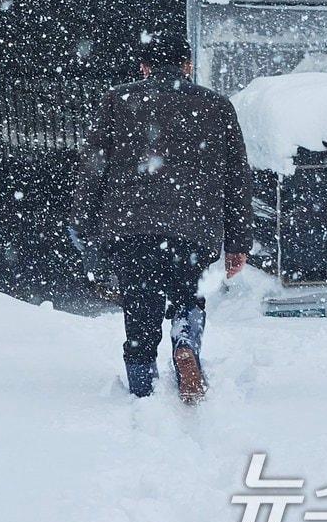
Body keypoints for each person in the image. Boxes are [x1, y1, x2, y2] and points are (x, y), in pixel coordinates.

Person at [78, 32, 253, 403]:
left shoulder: (117, 101)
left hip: (131, 225)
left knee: (140, 305)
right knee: (188, 295)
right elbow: (237, 178)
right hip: (195, 227)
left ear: (144, 67)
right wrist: (238, 242)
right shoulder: (217, 106)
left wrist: (87, 223)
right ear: (187, 65)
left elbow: (93, 168)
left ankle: (142, 387)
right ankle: (186, 342)